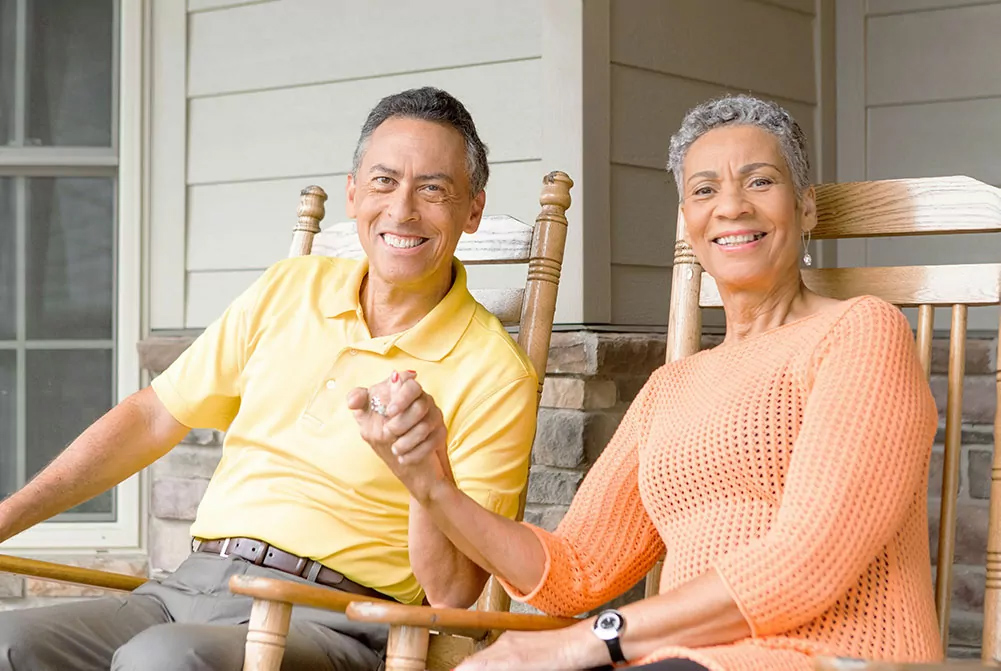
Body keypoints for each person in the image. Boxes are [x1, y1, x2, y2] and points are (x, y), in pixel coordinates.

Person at [369, 94, 941, 671]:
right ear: (687, 220)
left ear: (806, 206)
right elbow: (576, 572)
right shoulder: (671, 387)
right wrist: (434, 484)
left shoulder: (861, 333)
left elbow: (808, 563)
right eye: (704, 190)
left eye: (760, 181)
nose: (731, 207)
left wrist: (580, 642)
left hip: (832, 656)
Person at [0, 87, 539, 671]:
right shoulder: (291, 287)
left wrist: (422, 469)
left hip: (333, 620)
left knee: (162, 660)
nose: (403, 209)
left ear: (474, 210)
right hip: (186, 591)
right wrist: (8, 517)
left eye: (433, 188)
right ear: (353, 193)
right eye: (384, 181)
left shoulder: (495, 373)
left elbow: (453, 594)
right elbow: (154, 416)